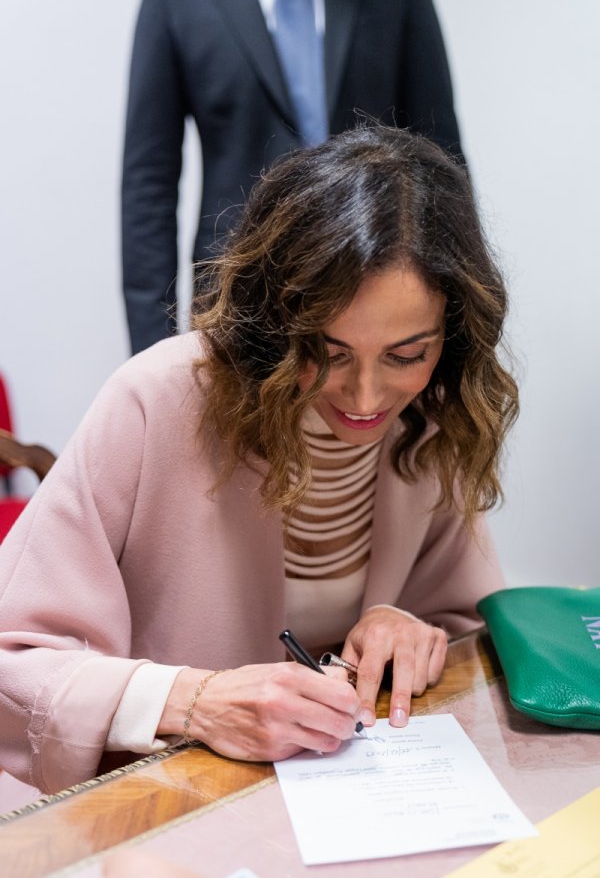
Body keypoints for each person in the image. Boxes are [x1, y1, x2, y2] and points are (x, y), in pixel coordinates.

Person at [0, 126, 518, 795]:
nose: (366, 398)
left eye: (407, 354)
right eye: (327, 351)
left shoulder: (434, 418)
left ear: (450, 336)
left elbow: (471, 627)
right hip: (160, 816)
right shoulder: (159, 400)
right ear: (276, 318)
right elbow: (15, 660)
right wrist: (194, 700)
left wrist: (408, 630)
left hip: (334, 807)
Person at [122, 0, 465, 354]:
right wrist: (153, 352)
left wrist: (462, 322)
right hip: (238, 300)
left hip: (377, 290)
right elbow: (149, 181)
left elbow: (441, 154)